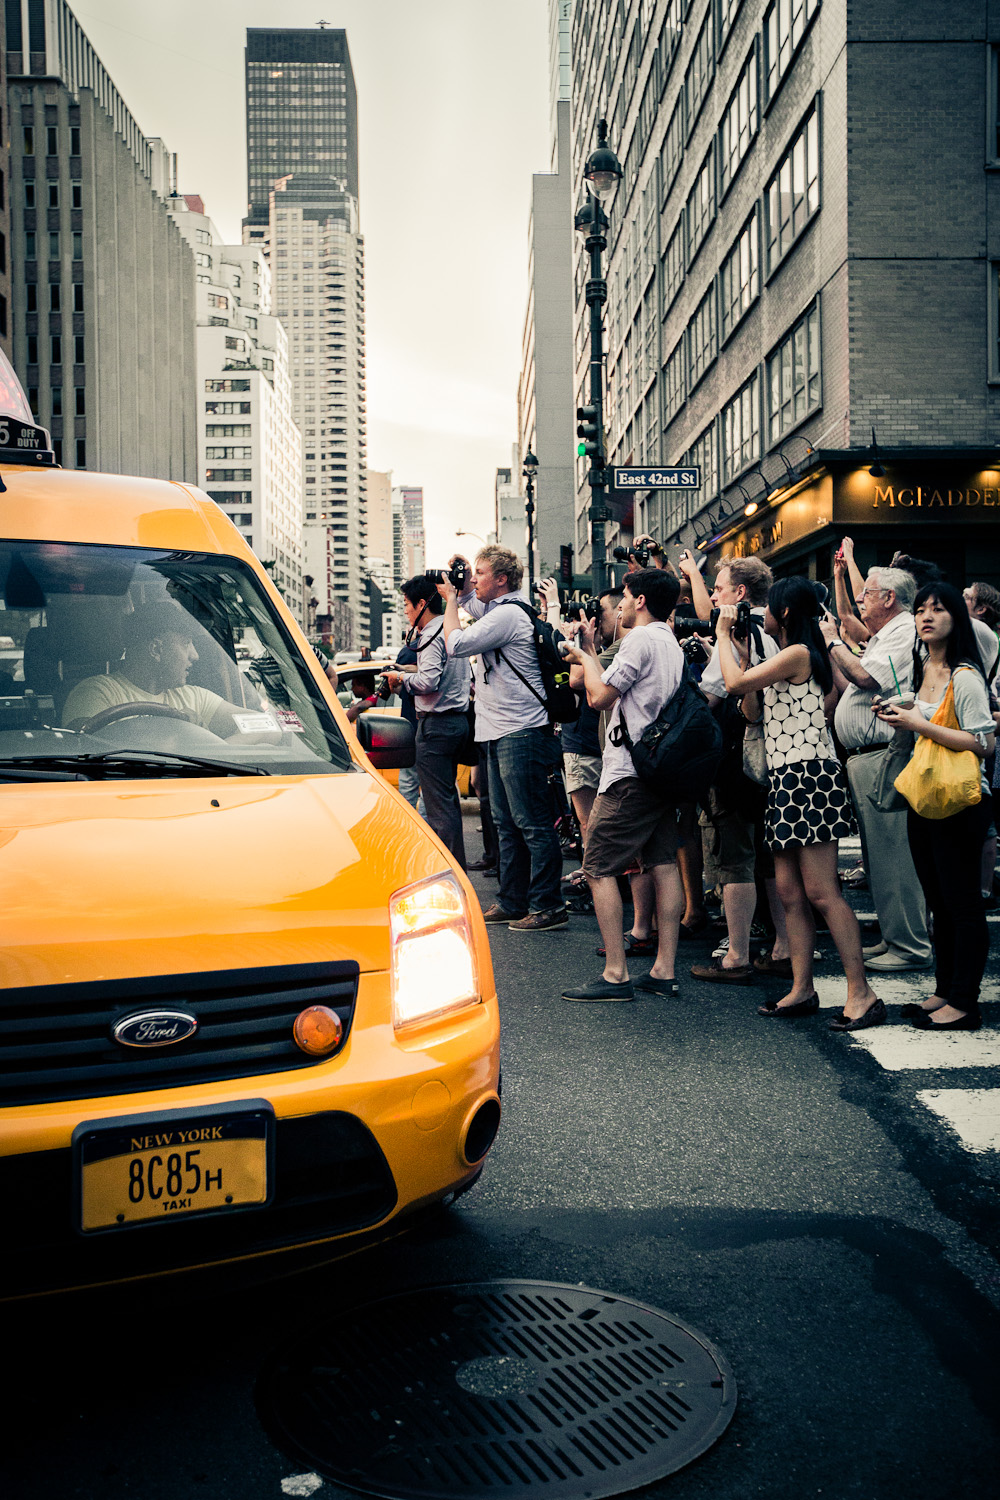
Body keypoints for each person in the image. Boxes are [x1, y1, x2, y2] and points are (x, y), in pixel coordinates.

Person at [717, 578, 881, 1028]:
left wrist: (720, 636)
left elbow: (731, 685)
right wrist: (746, 658)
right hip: (786, 779)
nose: (763, 613)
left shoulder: (800, 654)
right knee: (789, 893)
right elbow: (750, 710)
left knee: (822, 893)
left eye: (769, 607)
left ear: (786, 612)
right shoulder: (780, 659)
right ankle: (801, 988)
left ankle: (861, 993)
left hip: (809, 775)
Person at [559, 569, 686, 1002]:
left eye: (626, 597)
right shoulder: (669, 641)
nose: (620, 605)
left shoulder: (639, 639)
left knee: (597, 867)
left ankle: (615, 973)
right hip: (661, 768)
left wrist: (581, 657)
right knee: (662, 862)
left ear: (642, 600)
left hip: (629, 773)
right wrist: (591, 651)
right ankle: (664, 970)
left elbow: (599, 697)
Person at [875, 582, 995, 1031]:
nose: (927, 616)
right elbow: (926, 719)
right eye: (922, 609)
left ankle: (965, 1003)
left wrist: (918, 722)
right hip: (925, 796)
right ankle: (945, 989)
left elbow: (983, 743)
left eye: (938, 609)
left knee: (962, 903)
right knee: (938, 901)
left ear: (956, 620)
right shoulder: (923, 666)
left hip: (961, 802)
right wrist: (899, 711)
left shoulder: (965, 675)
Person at [439, 546, 567, 931]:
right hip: (500, 731)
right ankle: (513, 901)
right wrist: (459, 580)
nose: (474, 579)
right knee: (506, 822)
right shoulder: (497, 608)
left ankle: (548, 905)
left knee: (532, 823)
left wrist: (449, 602)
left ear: (502, 580)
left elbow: (457, 644)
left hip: (521, 731)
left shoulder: (509, 614)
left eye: (480, 573)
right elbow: (468, 599)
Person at [679, 553, 791, 982]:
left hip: (736, 756)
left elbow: (714, 690)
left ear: (739, 594)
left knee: (735, 856)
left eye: (720, 588)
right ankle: (781, 945)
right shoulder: (779, 629)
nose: (714, 597)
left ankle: (737, 956)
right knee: (770, 856)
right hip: (775, 755)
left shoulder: (742, 633)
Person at [822, 566, 933, 973]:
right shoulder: (886, 634)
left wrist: (832, 640)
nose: (860, 600)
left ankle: (910, 945)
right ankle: (895, 937)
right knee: (880, 857)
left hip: (883, 752)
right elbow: (854, 681)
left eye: (867, 593)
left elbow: (866, 677)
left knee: (893, 855)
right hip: (867, 755)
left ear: (889, 598)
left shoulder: (902, 630)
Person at [63, 600, 270, 736]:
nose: (195, 655)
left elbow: (267, 726)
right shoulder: (96, 693)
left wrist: (221, 751)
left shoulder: (193, 697)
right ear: (156, 649)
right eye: (186, 643)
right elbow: (88, 748)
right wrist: (179, 728)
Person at [385, 574, 471, 869]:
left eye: (407, 604)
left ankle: (449, 870)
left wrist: (401, 679)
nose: (406, 611)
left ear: (422, 604)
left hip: (436, 728)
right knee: (446, 803)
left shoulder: (432, 634)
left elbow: (429, 681)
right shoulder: (448, 630)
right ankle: (454, 865)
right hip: (454, 724)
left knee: (439, 808)